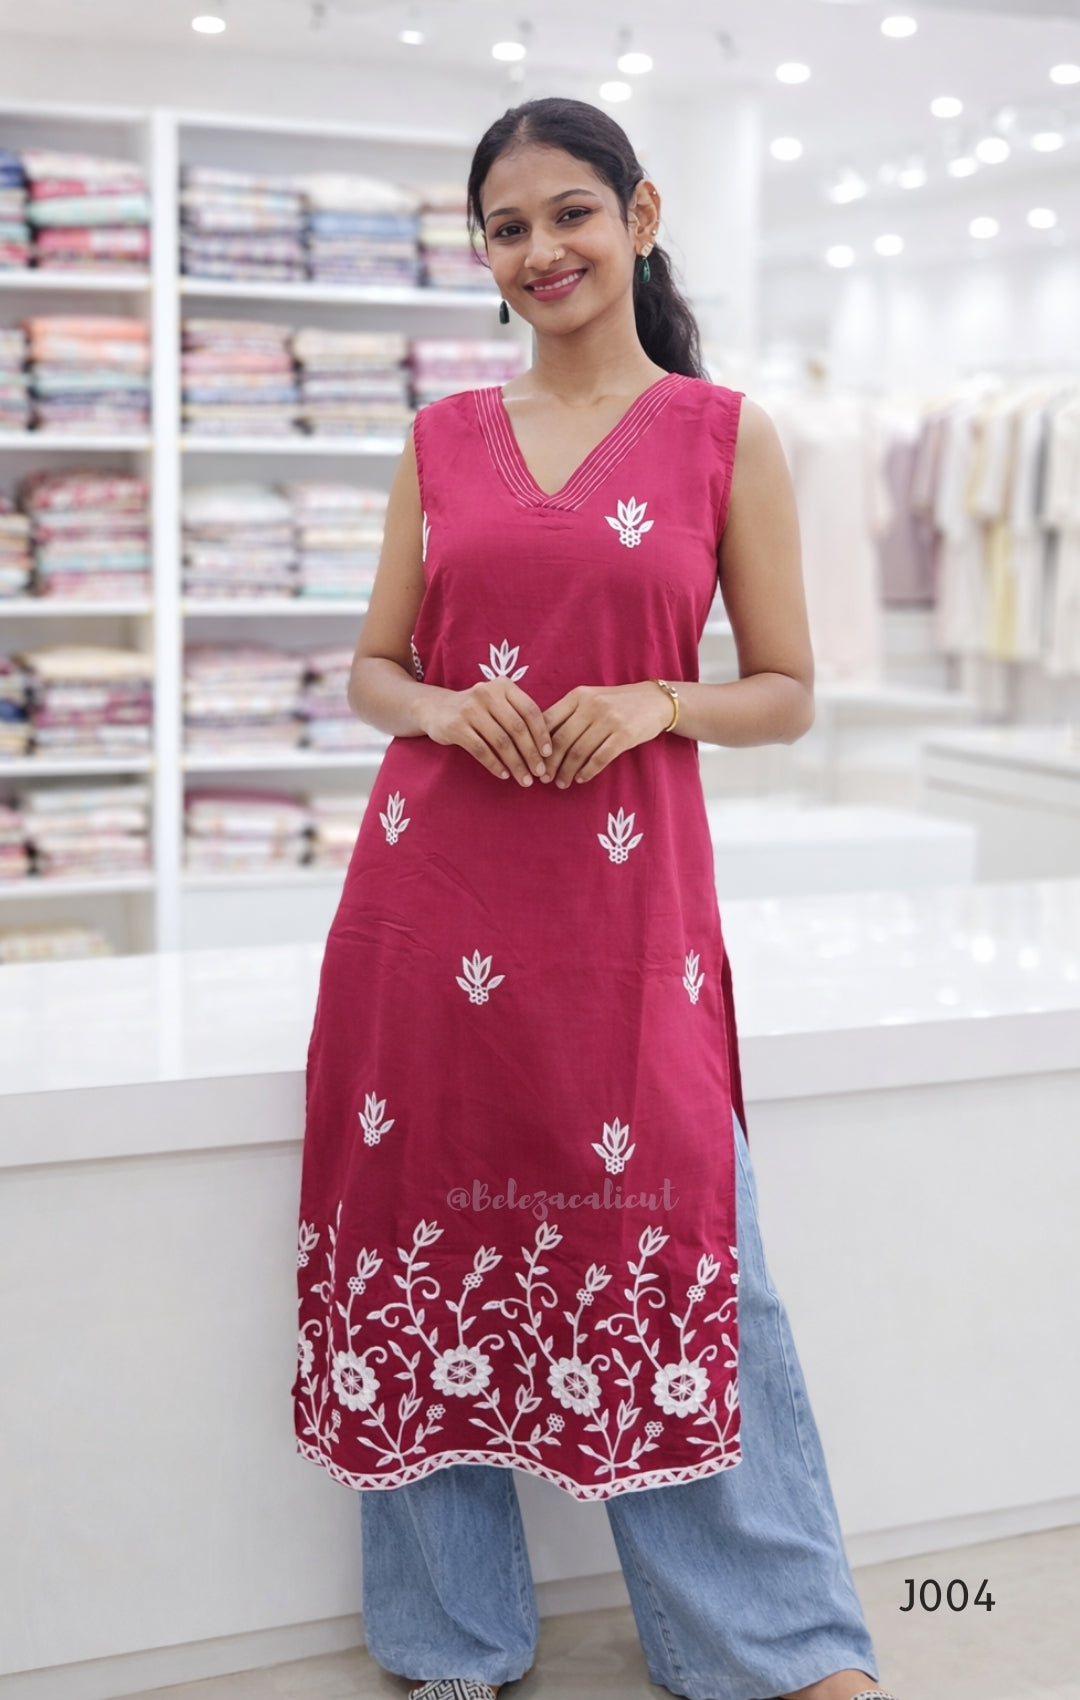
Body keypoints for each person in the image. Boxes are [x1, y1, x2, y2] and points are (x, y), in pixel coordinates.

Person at [292, 95, 899, 1700]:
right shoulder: (440, 438)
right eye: (506, 227)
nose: (541, 250)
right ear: (483, 256)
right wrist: (430, 707)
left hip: (625, 919)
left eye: (571, 213)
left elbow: (784, 689)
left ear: (638, 218)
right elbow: (368, 666)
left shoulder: (721, 433)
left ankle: (766, 1645)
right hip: (430, 907)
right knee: (419, 1242)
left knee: (683, 1243)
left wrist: (659, 703)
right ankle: (452, 1645)